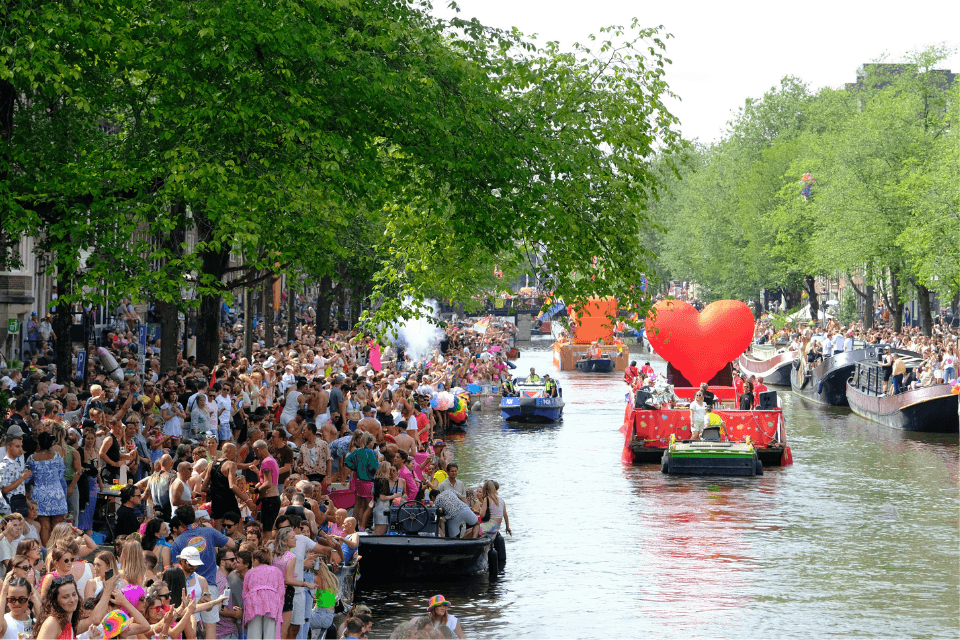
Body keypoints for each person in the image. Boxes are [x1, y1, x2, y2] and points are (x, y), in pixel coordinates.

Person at [25, 433, 67, 546]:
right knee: (57, 526)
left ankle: (47, 553)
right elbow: (61, 475)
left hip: (40, 494)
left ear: (39, 442)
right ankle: (57, 551)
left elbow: (28, 478)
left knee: (44, 526)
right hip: (57, 493)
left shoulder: (31, 458)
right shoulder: (57, 456)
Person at [242, 549, 284, 640]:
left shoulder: (249, 572)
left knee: (253, 633)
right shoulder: (277, 571)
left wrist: (245, 611)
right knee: (270, 633)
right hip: (272, 604)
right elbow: (281, 592)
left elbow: (244, 593)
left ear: (256, 560)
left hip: (253, 603)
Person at [253, 440, 282, 538]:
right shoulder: (272, 460)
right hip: (273, 498)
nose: (255, 454)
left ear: (258, 449)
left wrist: (255, 491)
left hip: (270, 499)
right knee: (267, 529)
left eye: (255, 451)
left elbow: (268, 483)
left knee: (266, 531)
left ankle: (267, 552)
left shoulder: (266, 462)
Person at [0, 431, 31, 518]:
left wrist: (27, 502)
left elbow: (18, 488)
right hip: (10, 510)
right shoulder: (5, 465)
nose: (20, 449)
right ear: (9, 448)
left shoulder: (15, 463)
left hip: (19, 506)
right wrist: (22, 478)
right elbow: (5, 489)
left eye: (21, 446)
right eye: (17, 446)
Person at [0, 574, 40, 638]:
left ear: (29, 597)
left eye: (22, 599)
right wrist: (3, 593)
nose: (16, 604)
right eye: (11, 599)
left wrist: (34, 596)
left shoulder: (33, 623)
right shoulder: (4, 621)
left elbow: (42, 622)